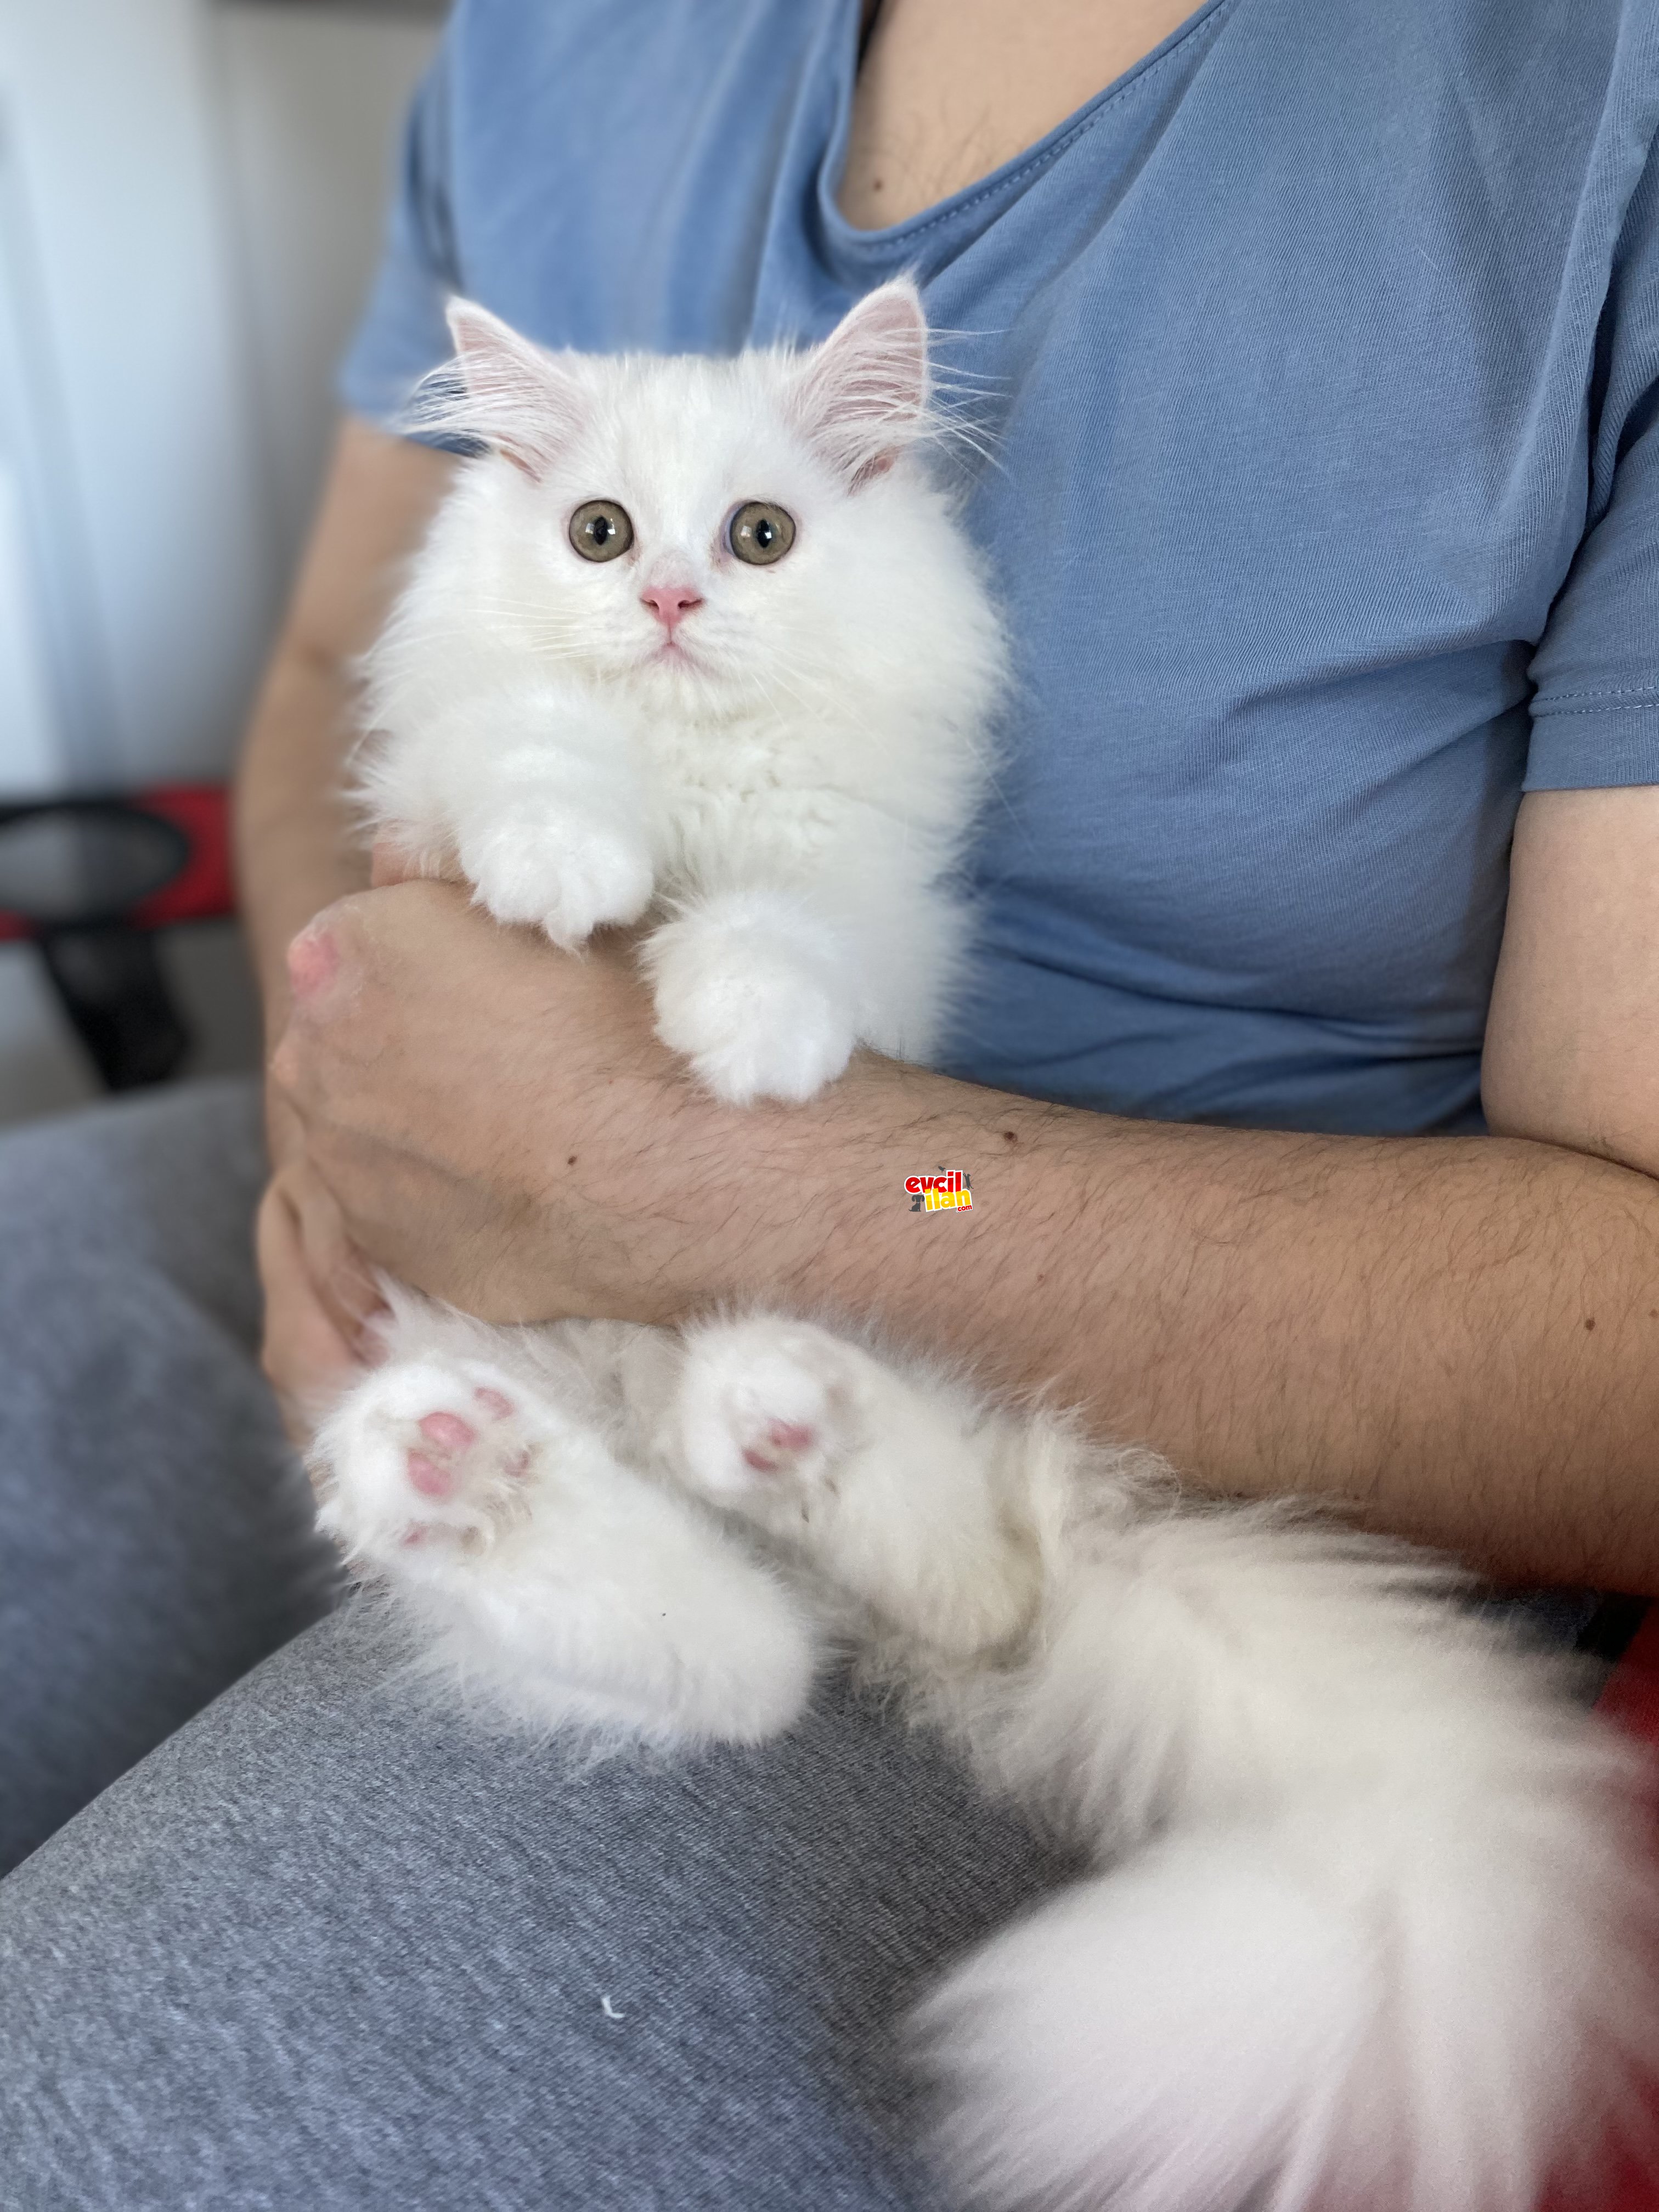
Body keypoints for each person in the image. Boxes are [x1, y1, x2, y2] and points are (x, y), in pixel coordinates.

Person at [3, 0, 1658, 2201]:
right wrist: (335, 1087)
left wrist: (720, 1187)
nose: (676, 590)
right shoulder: (556, 45)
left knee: (97, 2102)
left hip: (1053, 1279)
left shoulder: (1585, 105)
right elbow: (329, 675)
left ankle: (718, 1578)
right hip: (468, 1173)